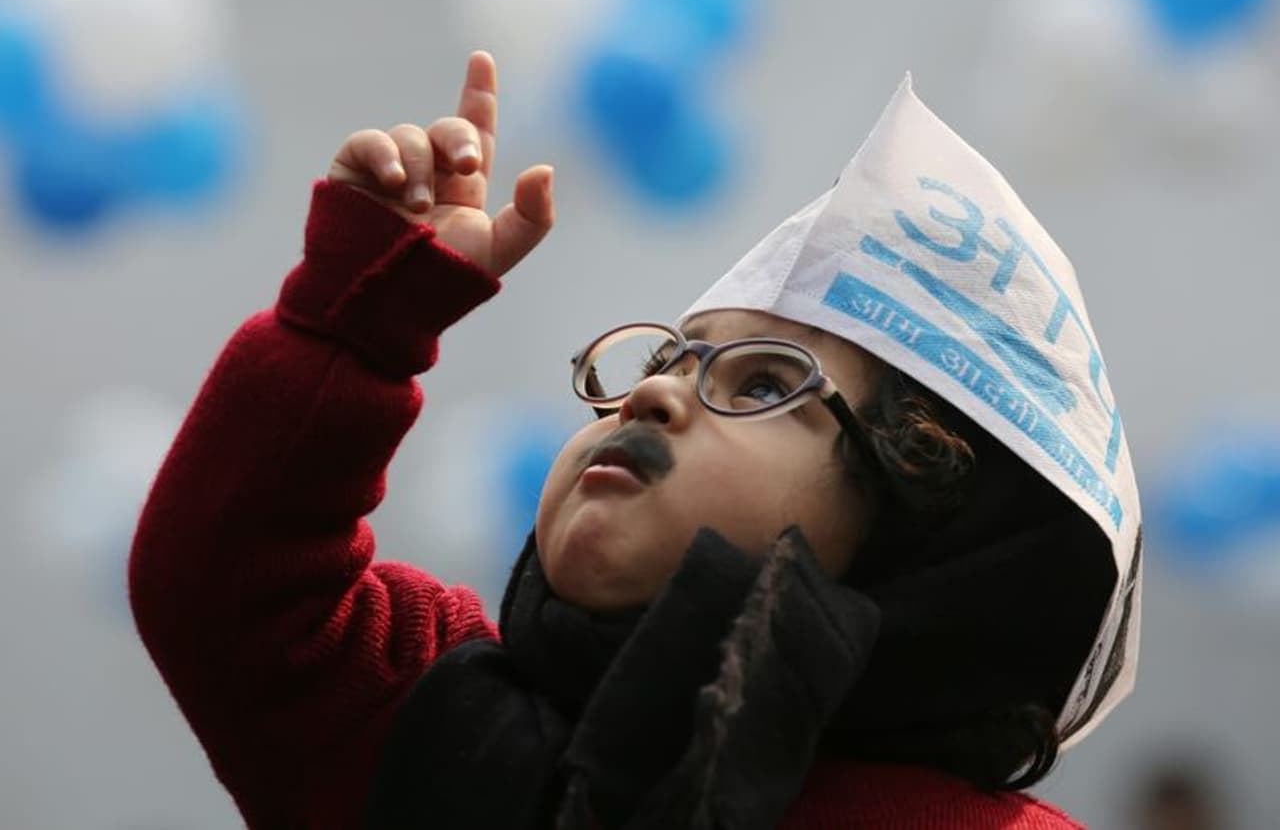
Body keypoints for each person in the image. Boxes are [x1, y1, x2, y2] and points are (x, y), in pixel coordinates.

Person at [129, 51, 1142, 828]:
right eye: (664, 361)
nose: (652, 401)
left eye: (764, 386)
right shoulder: (437, 724)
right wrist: (354, 319)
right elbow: (226, 582)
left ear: (927, 523)